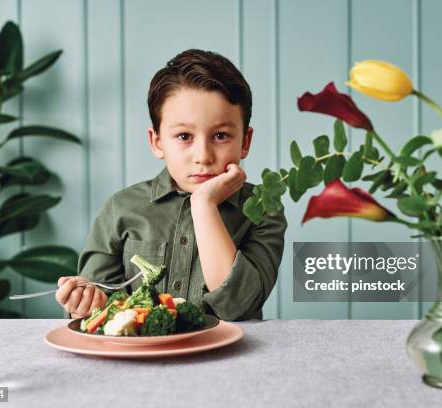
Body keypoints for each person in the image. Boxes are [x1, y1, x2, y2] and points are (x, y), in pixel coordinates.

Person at [55, 49, 287, 321]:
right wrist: (83, 302)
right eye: (184, 136)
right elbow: (95, 309)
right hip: (136, 360)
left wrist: (204, 205)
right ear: (157, 142)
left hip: (230, 360)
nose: (203, 156)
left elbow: (238, 307)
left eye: (221, 135)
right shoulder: (120, 209)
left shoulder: (262, 210)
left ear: (245, 142)